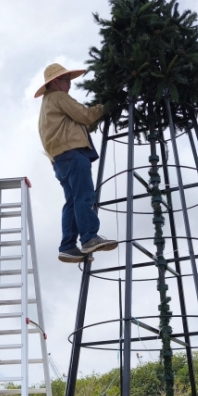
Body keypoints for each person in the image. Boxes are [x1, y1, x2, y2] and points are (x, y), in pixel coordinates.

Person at [36, 62, 118, 263]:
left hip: (60, 160)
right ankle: (89, 238)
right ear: (55, 82)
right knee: (84, 196)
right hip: (73, 155)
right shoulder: (58, 97)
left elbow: (80, 123)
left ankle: (68, 246)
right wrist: (108, 106)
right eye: (66, 80)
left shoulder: (47, 104)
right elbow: (85, 115)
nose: (69, 85)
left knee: (72, 201)